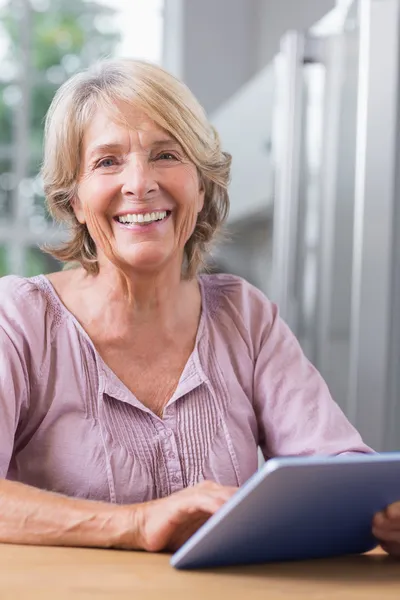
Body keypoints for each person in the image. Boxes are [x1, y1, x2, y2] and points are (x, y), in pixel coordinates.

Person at [0, 59, 398, 557]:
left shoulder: (244, 316)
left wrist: (382, 515)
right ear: (74, 199)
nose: (140, 183)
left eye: (166, 154)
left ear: (201, 182)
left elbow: (340, 471)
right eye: (107, 162)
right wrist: (136, 523)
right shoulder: (19, 319)